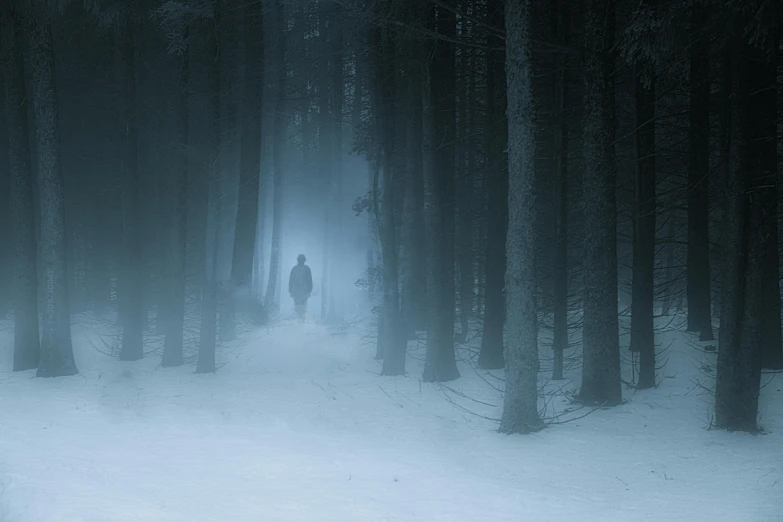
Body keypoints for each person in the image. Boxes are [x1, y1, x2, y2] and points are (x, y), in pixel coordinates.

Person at [288, 254, 313, 322]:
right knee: (303, 306)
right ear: (304, 260)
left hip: (296, 291)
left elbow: (291, 280)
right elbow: (309, 280)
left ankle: (298, 320)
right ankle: (302, 320)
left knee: (297, 306)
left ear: (297, 260)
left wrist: (290, 290)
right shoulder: (307, 268)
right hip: (304, 291)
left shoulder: (294, 269)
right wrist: (310, 290)